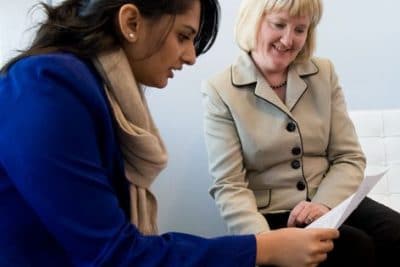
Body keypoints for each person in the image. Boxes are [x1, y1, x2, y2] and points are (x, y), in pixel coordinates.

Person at [0, 0, 340, 266]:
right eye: (184, 36)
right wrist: (260, 248)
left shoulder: (88, 89)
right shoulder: (47, 87)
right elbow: (114, 255)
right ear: (131, 22)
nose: (191, 56)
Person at [201, 0, 400, 266]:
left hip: (330, 200)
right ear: (253, 21)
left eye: (300, 29)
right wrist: (263, 244)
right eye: (279, 25)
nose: (288, 39)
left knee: (394, 232)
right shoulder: (220, 89)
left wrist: (324, 204)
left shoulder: (323, 73)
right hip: (272, 213)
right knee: (353, 247)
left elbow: (349, 157)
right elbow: (229, 185)